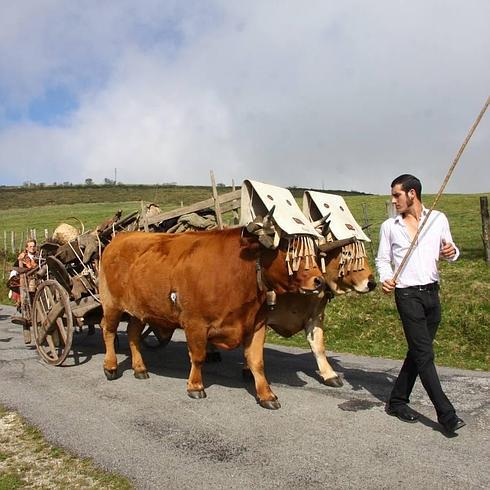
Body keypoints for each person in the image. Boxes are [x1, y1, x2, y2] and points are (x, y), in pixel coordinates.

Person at [376, 174, 465, 434]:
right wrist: (386, 278)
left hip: (432, 294)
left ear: (412, 193)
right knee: (425, 355)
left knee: (418, 352)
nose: (393, 201)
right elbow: (383, 260)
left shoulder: (438, 219)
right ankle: (446, 414)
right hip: (407, 295)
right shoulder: (389, 226)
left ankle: (397, 400)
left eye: (397, 195)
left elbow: (451, 252)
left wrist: (451, 253)